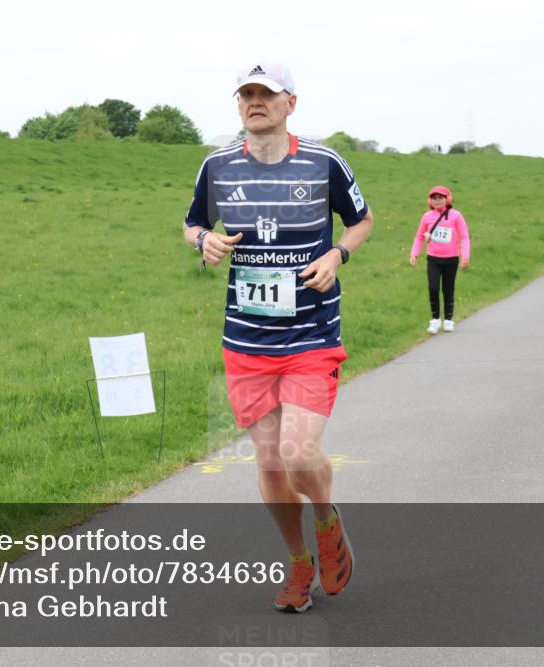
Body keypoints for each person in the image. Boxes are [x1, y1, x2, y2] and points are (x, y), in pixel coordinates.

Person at [184, 62, 373, 613]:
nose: (254, 101)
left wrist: (338, 254)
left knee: (298, 452)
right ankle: (298, 563)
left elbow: (361, 221)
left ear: (291, 102)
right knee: (269, 463)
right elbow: (193, 222)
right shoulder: (217, 165)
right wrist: (203, 243)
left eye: (265, 93)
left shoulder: (323, 162)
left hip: (312, 335)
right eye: (246, 93)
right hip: (246, 341)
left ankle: (326, 519)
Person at [409, 186, 471, 332]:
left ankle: (448, 319)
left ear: (448, 199)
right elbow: (419, 237)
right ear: (430, 201)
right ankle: (435, 319)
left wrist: (465, 255)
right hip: (433, 259)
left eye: (441, 197)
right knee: (433, 288)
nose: (437, 201)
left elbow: (464, 236)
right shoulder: (427, 217)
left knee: (448, 289)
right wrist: (414, 253)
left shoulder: (456, 216)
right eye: (434, 198)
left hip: (451, 259)